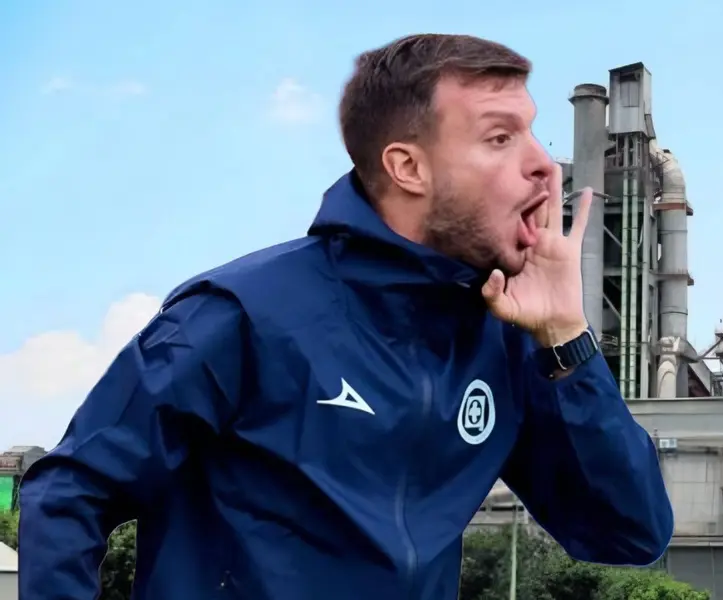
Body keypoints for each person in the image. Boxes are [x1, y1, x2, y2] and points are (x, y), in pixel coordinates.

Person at [18, 33, 673, 599]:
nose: (539, 162)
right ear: (407, 166)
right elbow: (68, 494)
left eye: (530, 130)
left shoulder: (507, 340)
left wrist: (567, 341)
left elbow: (629, 532)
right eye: (500, 137)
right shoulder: (242, 317)